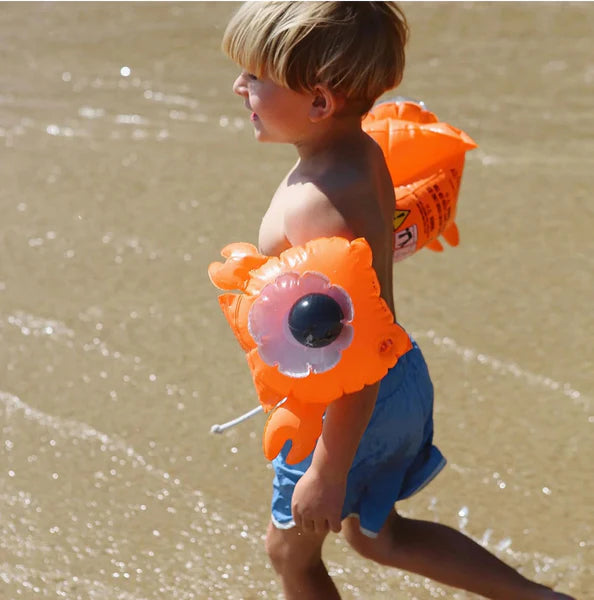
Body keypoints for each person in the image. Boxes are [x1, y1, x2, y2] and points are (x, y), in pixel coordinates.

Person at [221, 3, 576, 599]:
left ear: (319, 101)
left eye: (255, 77)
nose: (239, 87)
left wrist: (327, 470)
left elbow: (353, 355)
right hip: (400, 377)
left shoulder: (315, 206)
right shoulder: (360, 155)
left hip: (349, 402)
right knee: (378, 536)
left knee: (289, 555)